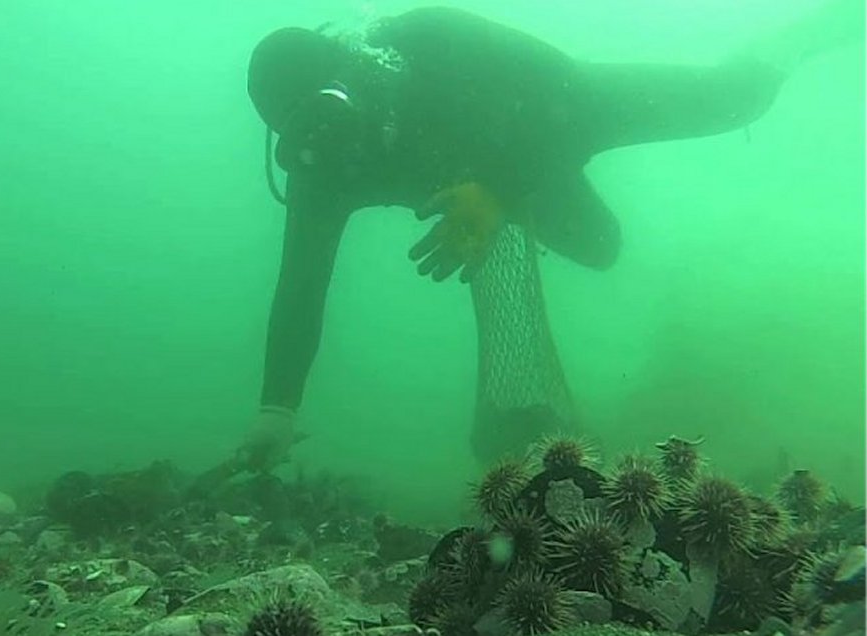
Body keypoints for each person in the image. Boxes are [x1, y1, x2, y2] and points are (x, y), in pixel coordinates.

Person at [235, 4, 860, 472]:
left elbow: (550, 84)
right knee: (599, 247)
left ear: (358, 75)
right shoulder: (322, 168)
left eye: (330, 112)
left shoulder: (423, 41)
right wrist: (277, 409)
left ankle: (799, 34)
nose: (331, 140)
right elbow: (301, 285)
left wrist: (497, 192)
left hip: (561, 110)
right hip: (511, 173)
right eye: (304, 133)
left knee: (733, 100)